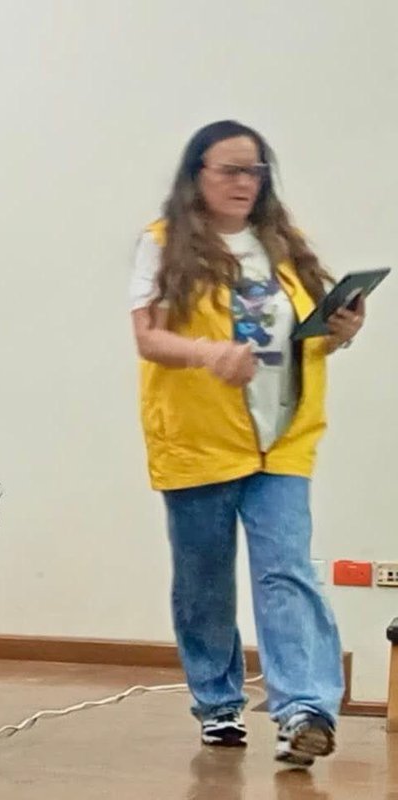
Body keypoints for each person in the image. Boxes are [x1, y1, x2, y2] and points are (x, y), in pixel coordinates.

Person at [130, 120, 365, 767]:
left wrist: (341, 328)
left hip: (282, 437)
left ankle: (304, 710)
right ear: (196, 176)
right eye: (230, 170)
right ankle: (218, 703)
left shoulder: (285, 246)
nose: (243, 183)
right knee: (204, 581)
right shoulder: (164, 245)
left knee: (287, 570)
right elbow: (148, 336)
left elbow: (304, 336)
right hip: (198, 439)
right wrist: (208, 353)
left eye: (254, 171)